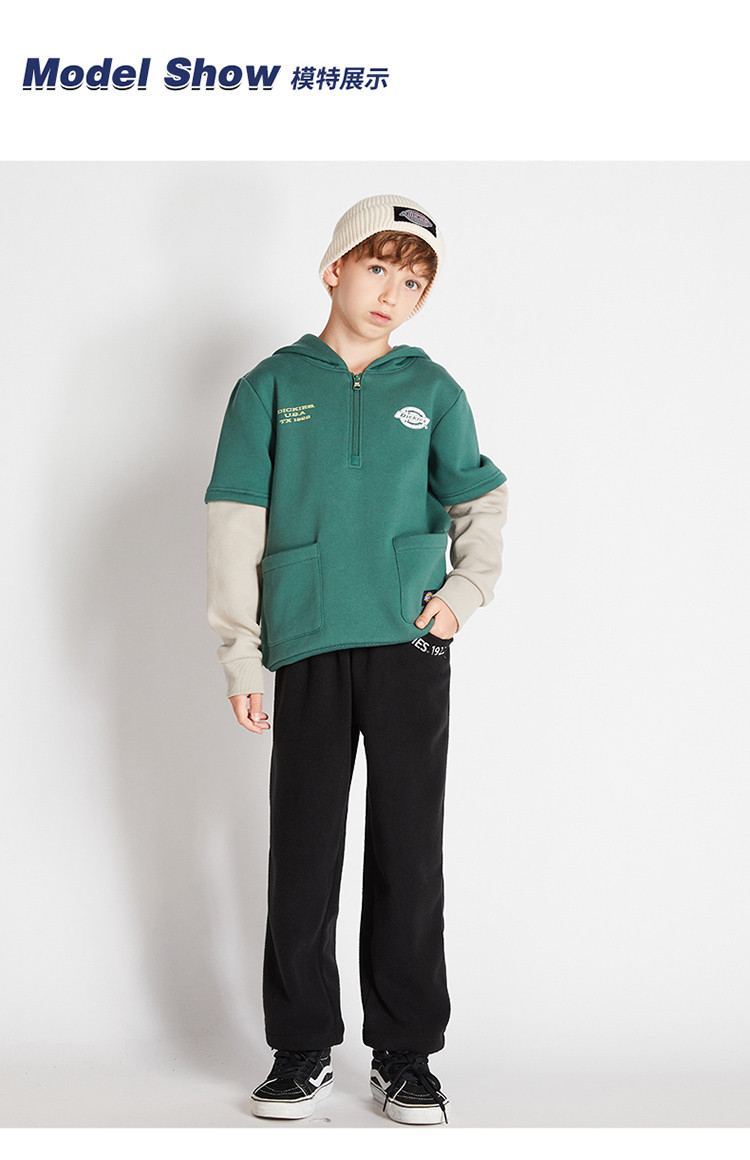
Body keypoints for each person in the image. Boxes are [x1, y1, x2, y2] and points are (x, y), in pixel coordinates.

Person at [204, 194, 509, 1125]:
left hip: (409, 643)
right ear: (335, 268)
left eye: (412, 282)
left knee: (409, 851)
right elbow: (234, 524)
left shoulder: (433, 390)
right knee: (303, 849)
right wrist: (241, 655)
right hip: (306, 643)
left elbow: (481, 501)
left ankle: (405, 1054)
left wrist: (461, 597)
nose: (391, 294)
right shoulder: (268, 386)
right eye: (378, 268)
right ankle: (300, 1048)